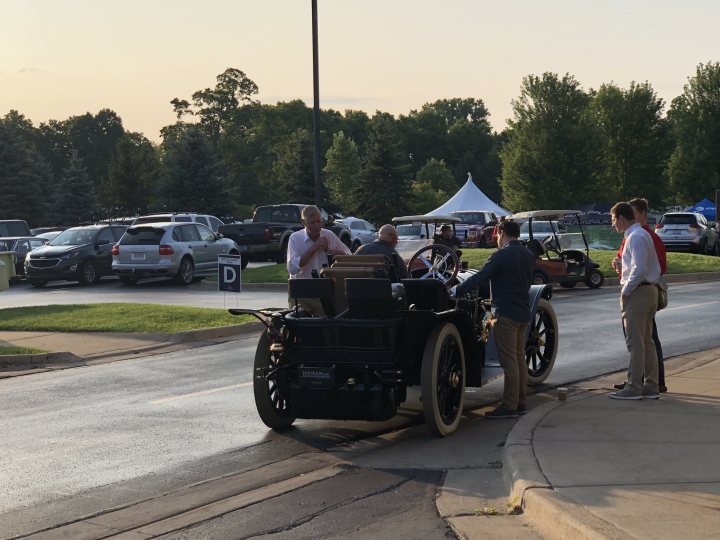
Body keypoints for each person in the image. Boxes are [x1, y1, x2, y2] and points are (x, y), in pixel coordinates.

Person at [450, 220, 534, 418]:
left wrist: (455, 290)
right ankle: (521, 401)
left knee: (509, 362)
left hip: (505, 313)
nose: (496, 238)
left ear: (502, 233)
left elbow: (481, 276)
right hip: (523, 312)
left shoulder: (502, 255)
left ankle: (510, 406)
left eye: (497, 234)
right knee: (519, 359)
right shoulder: (528, 254)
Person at [613, 198, 668, 393]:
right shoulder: (640, 235)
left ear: (621, 218)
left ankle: (634, 386)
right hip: (648, 290)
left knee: (635, 343)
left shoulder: (635, 237)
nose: (613, 224)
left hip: (639, 292)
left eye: (613, 220)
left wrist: (626, 291)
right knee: (647, 342)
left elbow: (638, 269)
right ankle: (651, 385)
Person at [287, 205, 350, 314]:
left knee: (325, 327)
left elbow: (348, 256)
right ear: (303, 222)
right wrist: (315, 247)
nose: (317, 225)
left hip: (324, 291)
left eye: (319, 221)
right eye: (312, 222)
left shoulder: (328, 235)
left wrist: (331, 251)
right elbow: (292, 269)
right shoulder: (295, 238)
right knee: (300, 328)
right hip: (302, 292)